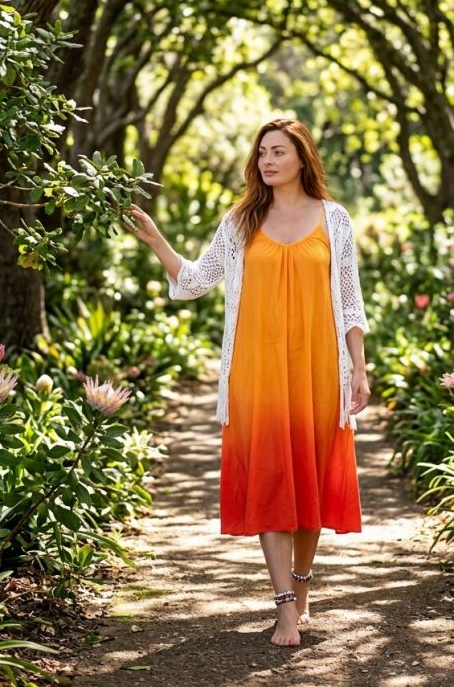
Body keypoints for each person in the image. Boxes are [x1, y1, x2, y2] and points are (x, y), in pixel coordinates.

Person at [127, 117, 370, 647]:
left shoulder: (335, 219)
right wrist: (156, 241)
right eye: (262, 152)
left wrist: (359, 367)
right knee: (271, 479)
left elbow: (350, 300)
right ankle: (284, 606)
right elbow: (194, 281)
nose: (268, 160)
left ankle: (302, 586)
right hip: (256, 374)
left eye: (279, 151)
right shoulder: (240, 221)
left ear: (303, 158)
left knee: (308, 483)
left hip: (318, 372)